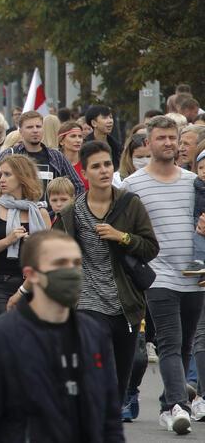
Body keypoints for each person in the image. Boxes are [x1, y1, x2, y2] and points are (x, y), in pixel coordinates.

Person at [0, 230, 124, 442]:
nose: (72, 271)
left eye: (76, 263)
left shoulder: (94, 336)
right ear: (32, 274)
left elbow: (110, 422)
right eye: (61, 263)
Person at [50, 140, 158, 412]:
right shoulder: (71, 211)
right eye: (95, 166)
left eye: (107, 164)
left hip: (126, 306)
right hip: (86, 304)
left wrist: (121, 237)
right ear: (84, 173)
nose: (103, 171)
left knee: (118, 388)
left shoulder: (130, 204)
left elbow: (150, 248)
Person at [120, 114, 201, 434]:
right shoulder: (132, 185)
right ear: (148, 142)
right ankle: (179, 406)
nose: (168, 143)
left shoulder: (192, 181)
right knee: (169, 341)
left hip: (194, 275)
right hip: (158, 274)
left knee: (185, 344)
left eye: (173, 138)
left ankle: (170, 402)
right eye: (162, 138)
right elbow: (126, 232)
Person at [0, 155, 51, 318]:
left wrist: (34, 247)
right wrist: (7, 241)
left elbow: (50, 256)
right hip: (2, 285)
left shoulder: (40, 212)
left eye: (8, 175)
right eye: (0, 175)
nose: (2, 179)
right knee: (9, 338)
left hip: (34, 286)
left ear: (22, 177)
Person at [0, 110, 86, 210]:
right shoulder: (9, 155)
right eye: (29, 127)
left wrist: (67, 213)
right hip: (16, 222)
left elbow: (78, 186)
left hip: (48, 222)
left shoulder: (56, 156)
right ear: (21, 132)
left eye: (38, 126)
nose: (35, 131)